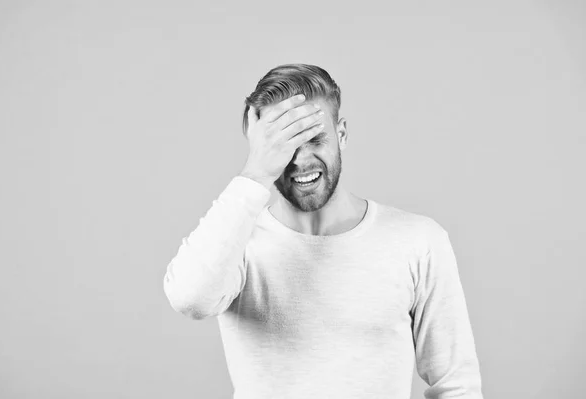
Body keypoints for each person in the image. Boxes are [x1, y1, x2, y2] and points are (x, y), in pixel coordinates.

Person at [163, 63, 484, 399]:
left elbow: (456, 385)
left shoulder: (418, 240)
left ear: (341, 134)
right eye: (283, 144)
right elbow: (191, 299)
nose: (301, 160)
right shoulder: (237, 243)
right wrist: (255, 173)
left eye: (315, 138)